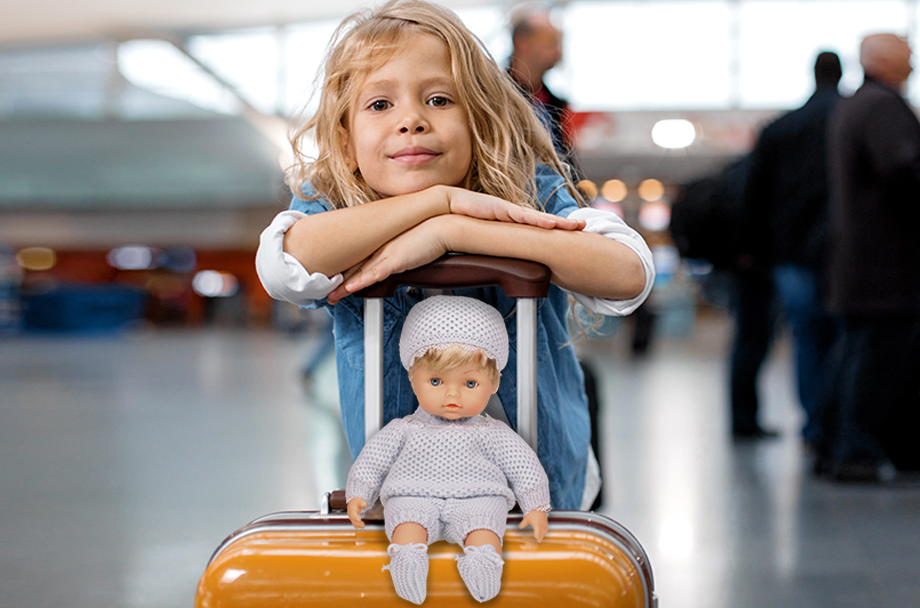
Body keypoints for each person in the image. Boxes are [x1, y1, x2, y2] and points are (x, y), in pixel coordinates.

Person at [255, 0, 654, 512]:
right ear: (347, 144)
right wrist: (436, 203)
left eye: (440, 99)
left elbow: (628, 272)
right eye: (380, 105)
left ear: (480, 121)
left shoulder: (525, 187)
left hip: (543, 495)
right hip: (409, 500)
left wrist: (458, 230)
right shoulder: (336, 201)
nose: (412, 121)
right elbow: (283, 267)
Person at [343, 295, 550, 605]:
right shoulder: (403, 430)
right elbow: (372, 461)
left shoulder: (493, 433)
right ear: (413, 378)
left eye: (470, 384)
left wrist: (535, 505)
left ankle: (483, 563)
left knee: (484, 528)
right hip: (414, 494)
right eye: (436, 380)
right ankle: (407, 559)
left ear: (493, 383)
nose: (452, 394)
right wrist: (359, 493)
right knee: (406, 521)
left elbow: (524, 466)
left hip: (478, 497)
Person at [823, 33, 920, 480]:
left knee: (853, 354)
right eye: (907, 54)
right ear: (885, 61)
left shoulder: (852, 106)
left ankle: (835, 443)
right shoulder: (883, 108)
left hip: (855, 263)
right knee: (873, 358)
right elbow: (900, 171)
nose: (915, 61)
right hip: (883, 264)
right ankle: (857, 450)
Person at [740, 51, 842, 446]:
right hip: (838, 250)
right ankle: (836, 424)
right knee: (843, 339)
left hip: (789, 253)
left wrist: (752, 247)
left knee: (807, 337)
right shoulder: (848, 119)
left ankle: (814, 422)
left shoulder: (780, 129)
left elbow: (755, 194)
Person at [507, 6, 574, 163]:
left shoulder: (554, 102)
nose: (558, 52)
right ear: (522, 43)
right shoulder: (496, 97)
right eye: (551, 43)